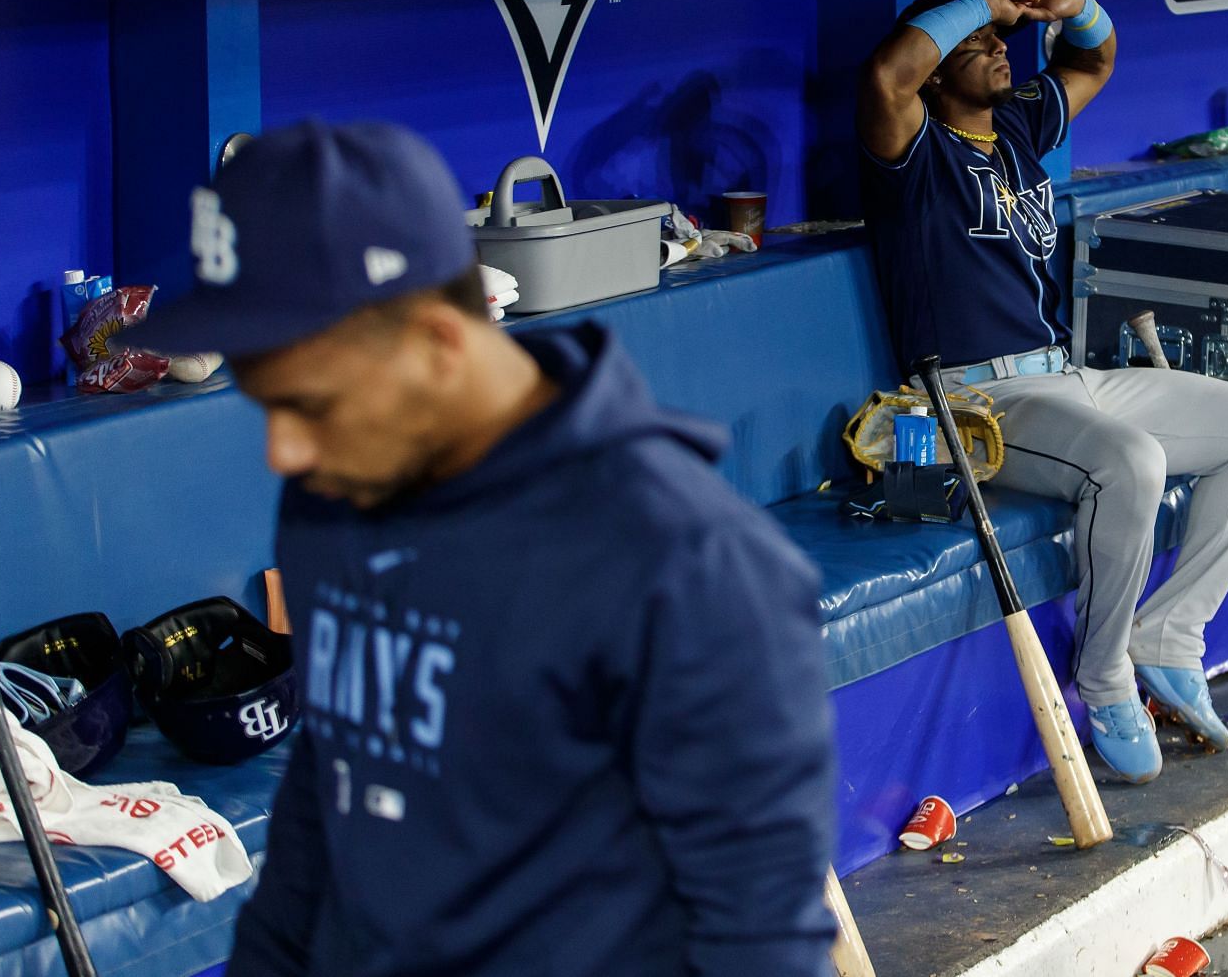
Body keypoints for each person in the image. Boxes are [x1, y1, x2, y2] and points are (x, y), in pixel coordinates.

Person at [128, 122, 838, 976]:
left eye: (310, 401)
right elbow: (332, 788)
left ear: (440, 343)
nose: (283, 451)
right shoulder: (333, 497)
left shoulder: (686, 567)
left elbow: (756, 945)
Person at [856, 0, 1228, 784]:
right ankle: (1105, 677)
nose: (995, 48)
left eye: (999, 38)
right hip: (976, 398)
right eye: (976, 42)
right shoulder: (912, 150)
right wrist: (979, 6)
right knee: (1131, 461)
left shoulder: (1017, 123)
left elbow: (1094, 61)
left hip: (1067, 372)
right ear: (940, 63)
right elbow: (888, 74)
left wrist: (1078, 6)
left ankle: (1169, 635)